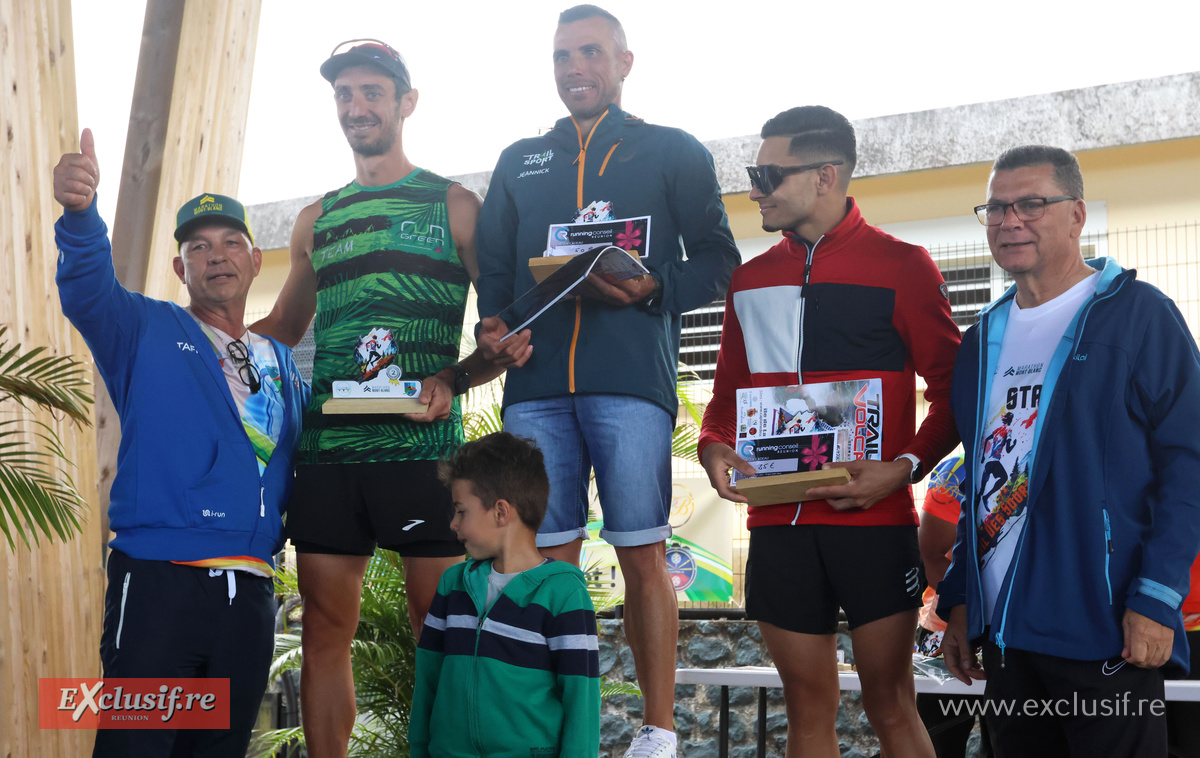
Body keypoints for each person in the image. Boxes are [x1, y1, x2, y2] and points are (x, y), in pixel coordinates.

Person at [251, 39, 531, 757]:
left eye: (372, 92)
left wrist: (453, 381)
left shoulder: (454, 205)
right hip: (330, 456)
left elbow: (503, 334)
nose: (356, 107)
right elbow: (282, 328)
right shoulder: (318, 219)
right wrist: (192, 336)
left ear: (406, 102)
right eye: (344, 94)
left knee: (438, 634)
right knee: (323, 631)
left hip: (425, 455)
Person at [474, 6, 740, 756]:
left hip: (631, 385)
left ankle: (659, 732)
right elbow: (494, 270)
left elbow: (719, 259)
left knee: (641, 553)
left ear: (626, 62)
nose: (574, 68)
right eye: (561, 56)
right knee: (546, 560)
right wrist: (494, 326)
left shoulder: (672, 150)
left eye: (590, 52)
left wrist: (654, 288)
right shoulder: (520, 159)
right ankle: (554, 728)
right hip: (534, 390)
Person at [697, 105, 961, 758]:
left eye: (766, 174)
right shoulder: (750, 278)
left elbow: (957, 394)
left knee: (890, 703)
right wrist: (712, 445)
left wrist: (904, 467)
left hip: (875, 526)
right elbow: (726, 394)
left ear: (825, 175)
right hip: (777, 526)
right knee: (806, 705)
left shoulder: (904, 265)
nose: (753, 189)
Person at [53, 129, 309, 757]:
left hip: (249, 593)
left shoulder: (282, 364)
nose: (216, 255)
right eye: (199, 246)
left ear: (254, 261)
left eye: (231, 244)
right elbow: (87, 288)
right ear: (181, 268)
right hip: (160, 584)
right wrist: (81, 216)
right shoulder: (143, 328)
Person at [939, 145, 1200, 757]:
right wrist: (958, 597)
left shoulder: (1139, 317)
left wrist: (1159, 596)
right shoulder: (979, 341)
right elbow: (983, 478)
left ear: (1078, 214)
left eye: (1031, 204)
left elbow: (1190, 463)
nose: (1010, 221)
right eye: (997, 208)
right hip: (1004, 636)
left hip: (1106, 627)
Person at [409, 431, 600, 757]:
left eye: (461, 511)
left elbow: (581, 701)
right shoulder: (451, 584)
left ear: (500, 512)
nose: (453, 524)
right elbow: (427, 681)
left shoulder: (564, 594)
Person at [915, 456, 991, 758]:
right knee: (939, 744)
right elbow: (932, 555)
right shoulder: (956, 470)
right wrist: (966, 618)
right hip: (947, 630)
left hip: (1021, 633)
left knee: (1009, 739)